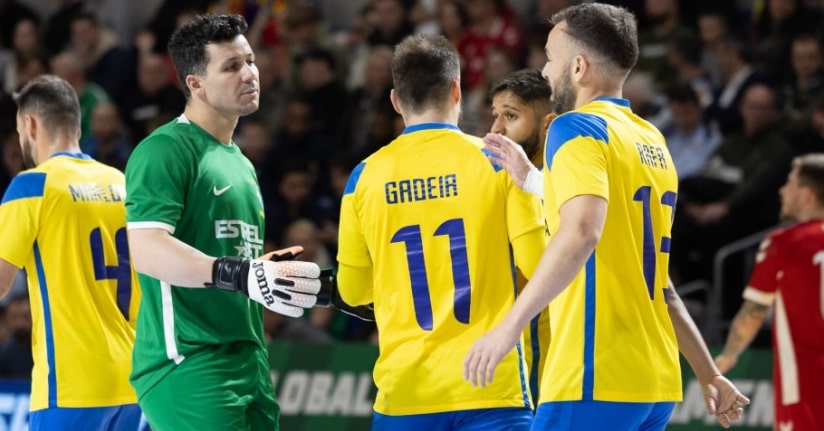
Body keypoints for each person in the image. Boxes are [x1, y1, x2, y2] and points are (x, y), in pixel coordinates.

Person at [464, 4, 749, 430]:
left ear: (578, 67)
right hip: (654, 381)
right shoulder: (650, 138)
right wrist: (710, 373)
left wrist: (508, 328)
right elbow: (658, 281)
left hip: (595, 370)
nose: (544, 70)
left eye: (550, 57)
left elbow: (582, 231)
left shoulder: (574, 127)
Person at [335, 34, 548, 430]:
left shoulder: (363, 178)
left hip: (406, 393)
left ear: (396, 100)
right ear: (457, 89)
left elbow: (353, 292)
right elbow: (539, 266)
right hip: (491, 384)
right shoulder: (500, 161)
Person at [123, 14, 322, 431]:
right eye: (231, 67)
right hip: (188, 361)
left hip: (248, 357)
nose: (250, 73)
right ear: (195, 84)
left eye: (249, 60)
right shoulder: (164, 149)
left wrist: (297, 283)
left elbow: (235, 262)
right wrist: (242, 272)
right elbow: (146, 249)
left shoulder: (242, 163)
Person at [0, 74, 142, 430]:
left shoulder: (32, 185)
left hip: (71, 386)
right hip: (135, 382)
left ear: (30, 124)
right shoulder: (123, 183)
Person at [715, 153, 824, 431]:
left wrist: (727, 356)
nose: (782, 190)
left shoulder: (785, 243)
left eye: (789, 182)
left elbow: (753, 311)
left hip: (806, 385)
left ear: (807, 193)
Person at [488, 67, 554, 403]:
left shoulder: (562, 184)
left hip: (546, 345)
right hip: (520, 348)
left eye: (510, 116)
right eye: (495, 115)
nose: (497, 128)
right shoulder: (498, 179)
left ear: (547, 122)